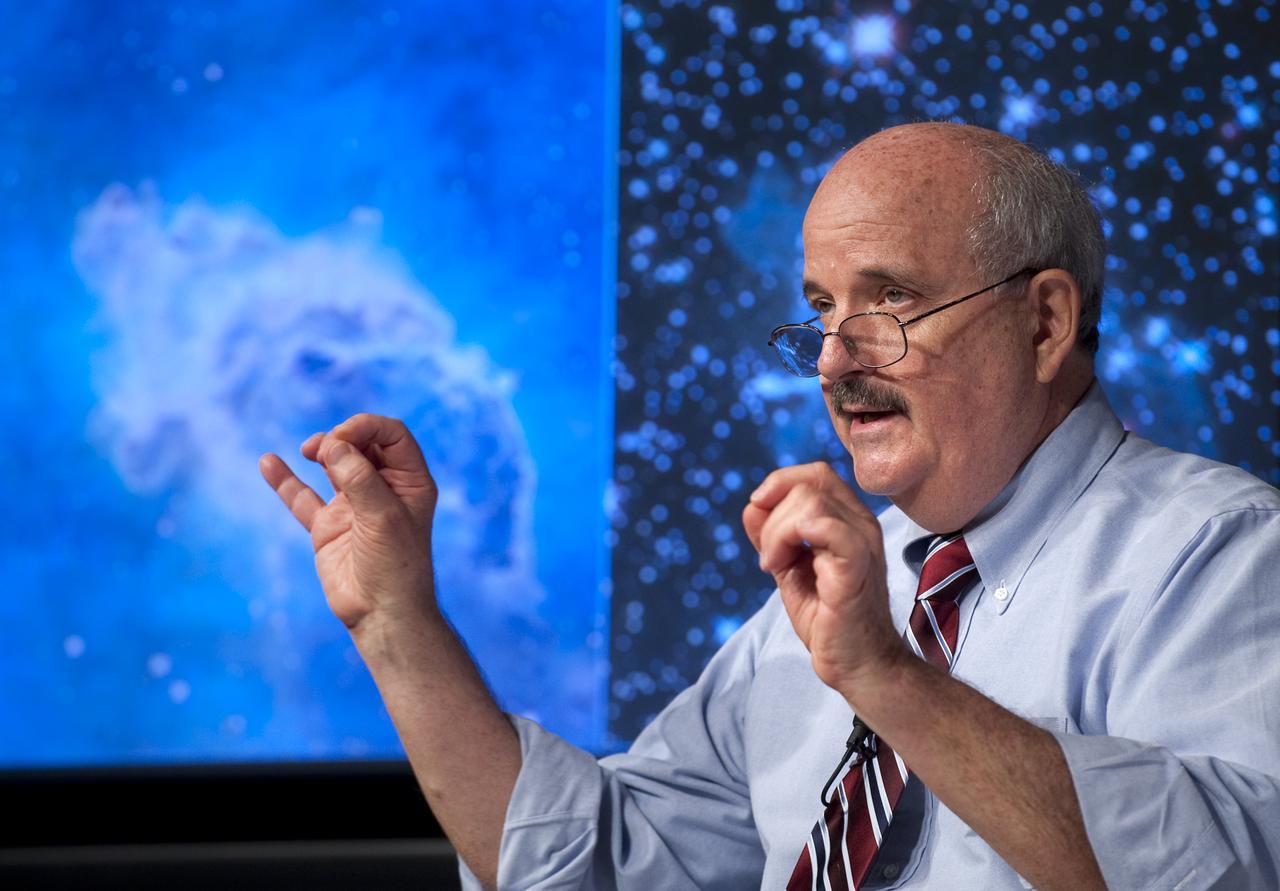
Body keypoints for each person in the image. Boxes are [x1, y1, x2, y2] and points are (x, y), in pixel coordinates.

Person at [259, 122, 1280, 890]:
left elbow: (1226, 871)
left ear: (1044, 322)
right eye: (821, 309)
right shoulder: (828, 607)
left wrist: (885, 677)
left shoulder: (1213, 551)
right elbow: (593, 865)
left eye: (887, 301)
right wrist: (395, 624)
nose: (834, 361)